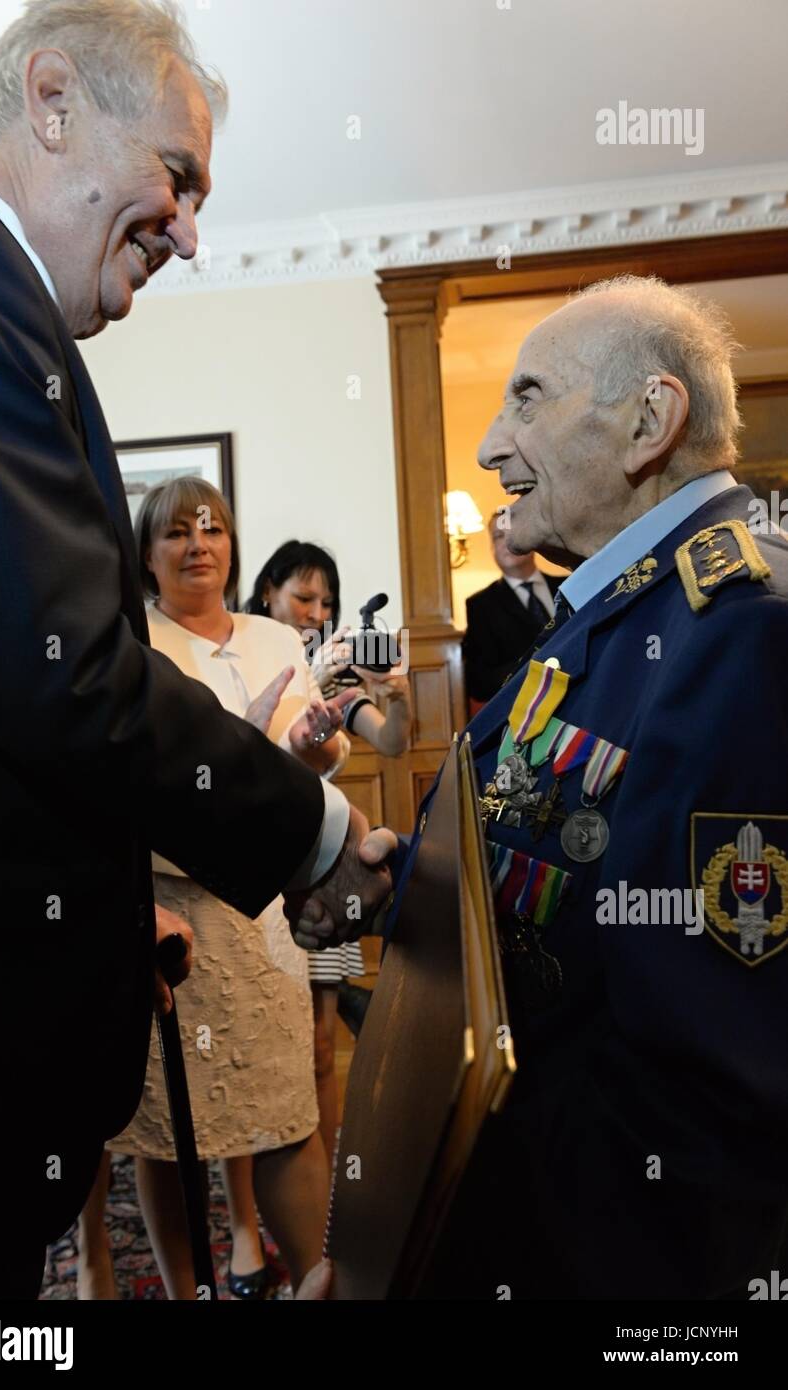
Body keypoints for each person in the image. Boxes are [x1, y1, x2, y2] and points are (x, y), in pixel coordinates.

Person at [0, 0, 388, 1299]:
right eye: (177, 180)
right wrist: (314, 834)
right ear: (52, 100)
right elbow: (60, 666)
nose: (191, 232)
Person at [293, 275, 788, 1300]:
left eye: (527, 396)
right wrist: (402, 893)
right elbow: (537, 858)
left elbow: (699, 1090)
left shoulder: (736, 624)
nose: (485, 446)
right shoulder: (614, 599)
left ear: (649, 420)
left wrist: (447, 1245)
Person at [78, 478, 347, 1300]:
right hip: (175, 914)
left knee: (284, 1113)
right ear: (145, 554)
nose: (199, 544)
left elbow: (309, 762)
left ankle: (316, 1281)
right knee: (173, 1135)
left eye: (214, 528)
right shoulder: (128, 644)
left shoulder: (276, 637)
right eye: (176, 533)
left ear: (233, 545)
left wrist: (307, 743)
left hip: (264, 914)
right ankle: (184, 1287)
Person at [247, 542, 412, 1160]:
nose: (316, 612)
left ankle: (334, 1179)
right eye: (303, 597)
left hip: (323, 870)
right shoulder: (239, 655)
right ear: (268, 591)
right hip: (251, 875)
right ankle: (241, 1209)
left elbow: (394, 743)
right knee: (251, 1045)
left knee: (319, 1044)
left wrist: (390, 691)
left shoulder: (337, 666)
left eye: (327, 602)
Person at [462, 512, 563, 712]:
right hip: (523, 711)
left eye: (513, 532)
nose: (507, 540)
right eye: (498, 535)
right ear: (492, 547)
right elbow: (480, 683)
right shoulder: (480, 606)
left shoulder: (568, 585)